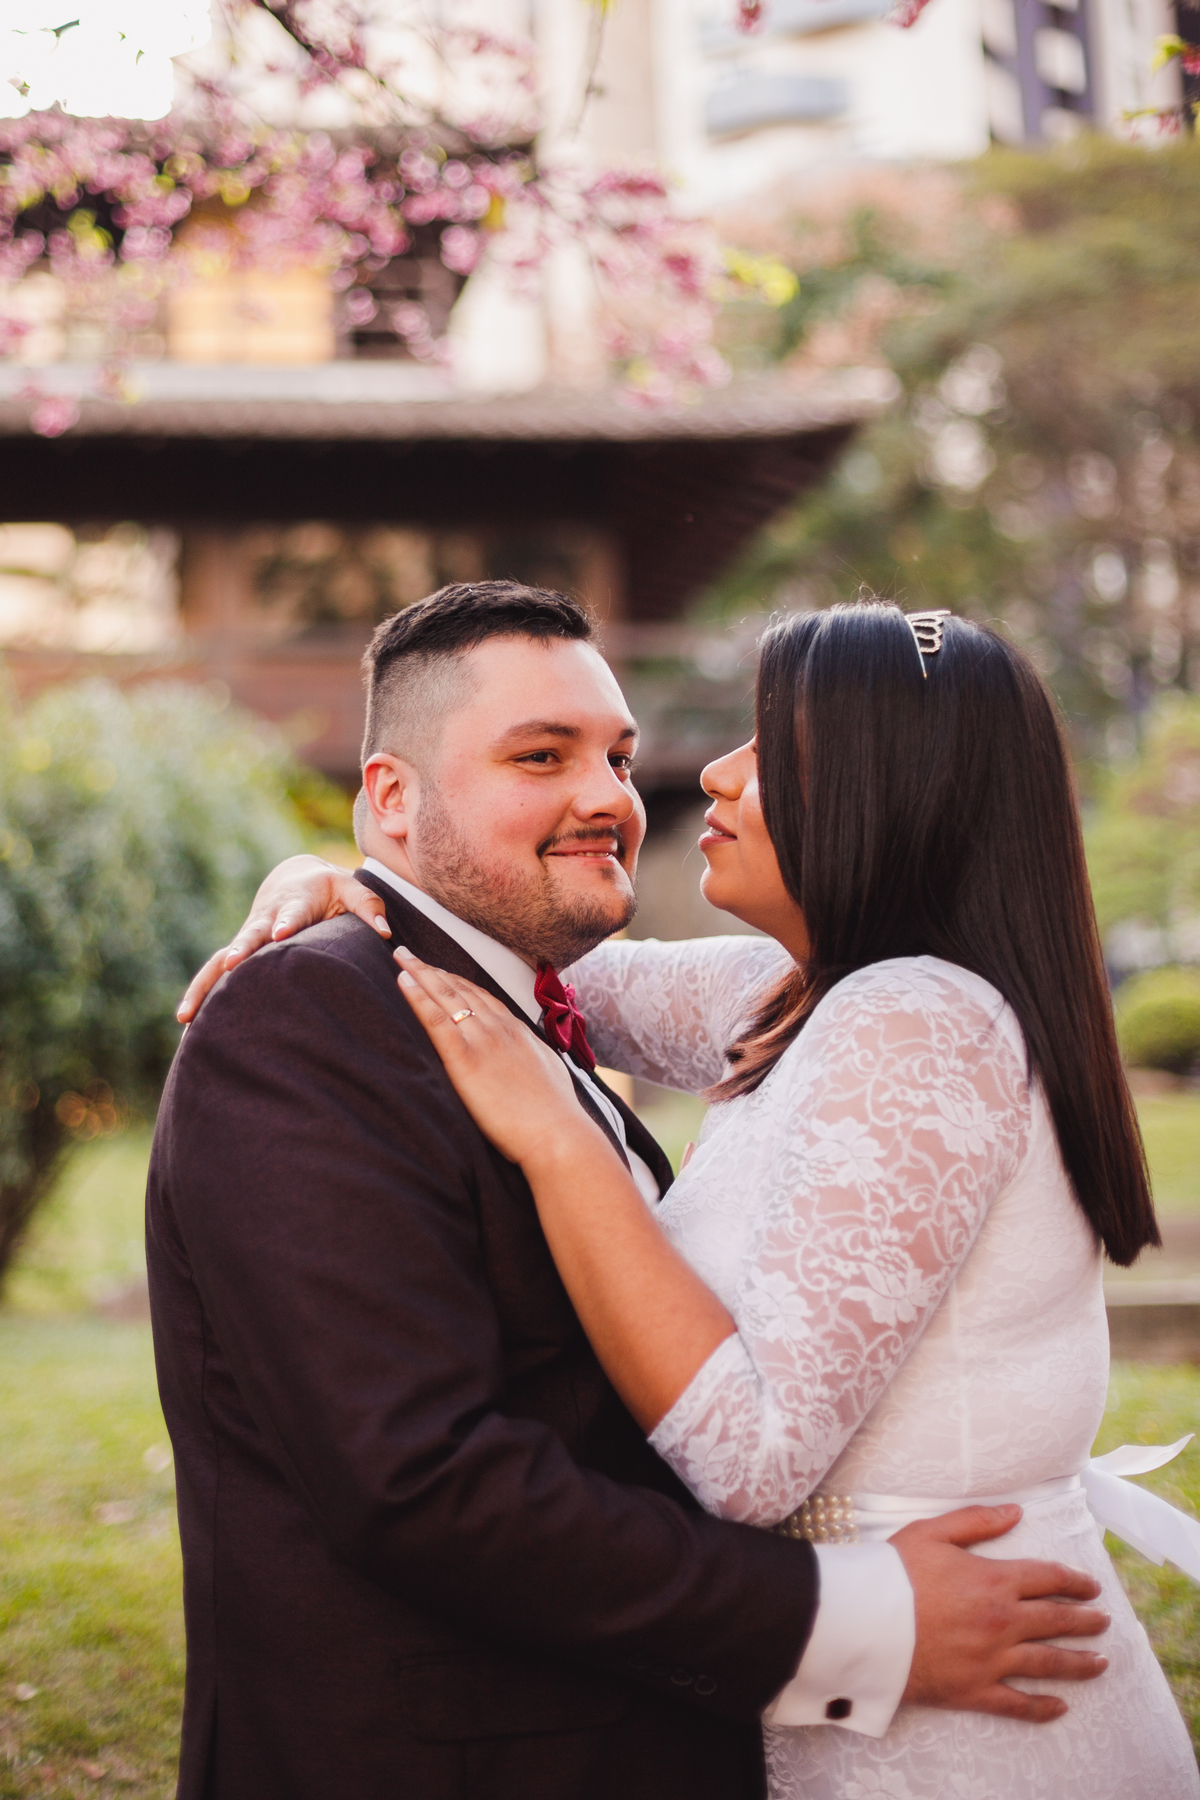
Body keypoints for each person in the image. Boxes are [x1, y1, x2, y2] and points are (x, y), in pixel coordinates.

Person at [162, 584, 1111, 1800]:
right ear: (393, 795)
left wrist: (381, 888)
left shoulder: (853, 1004)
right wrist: (335, 878)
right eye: (541, 755)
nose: (621, 793)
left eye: (614, 754)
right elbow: (420, 1482)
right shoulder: (308, 1021)